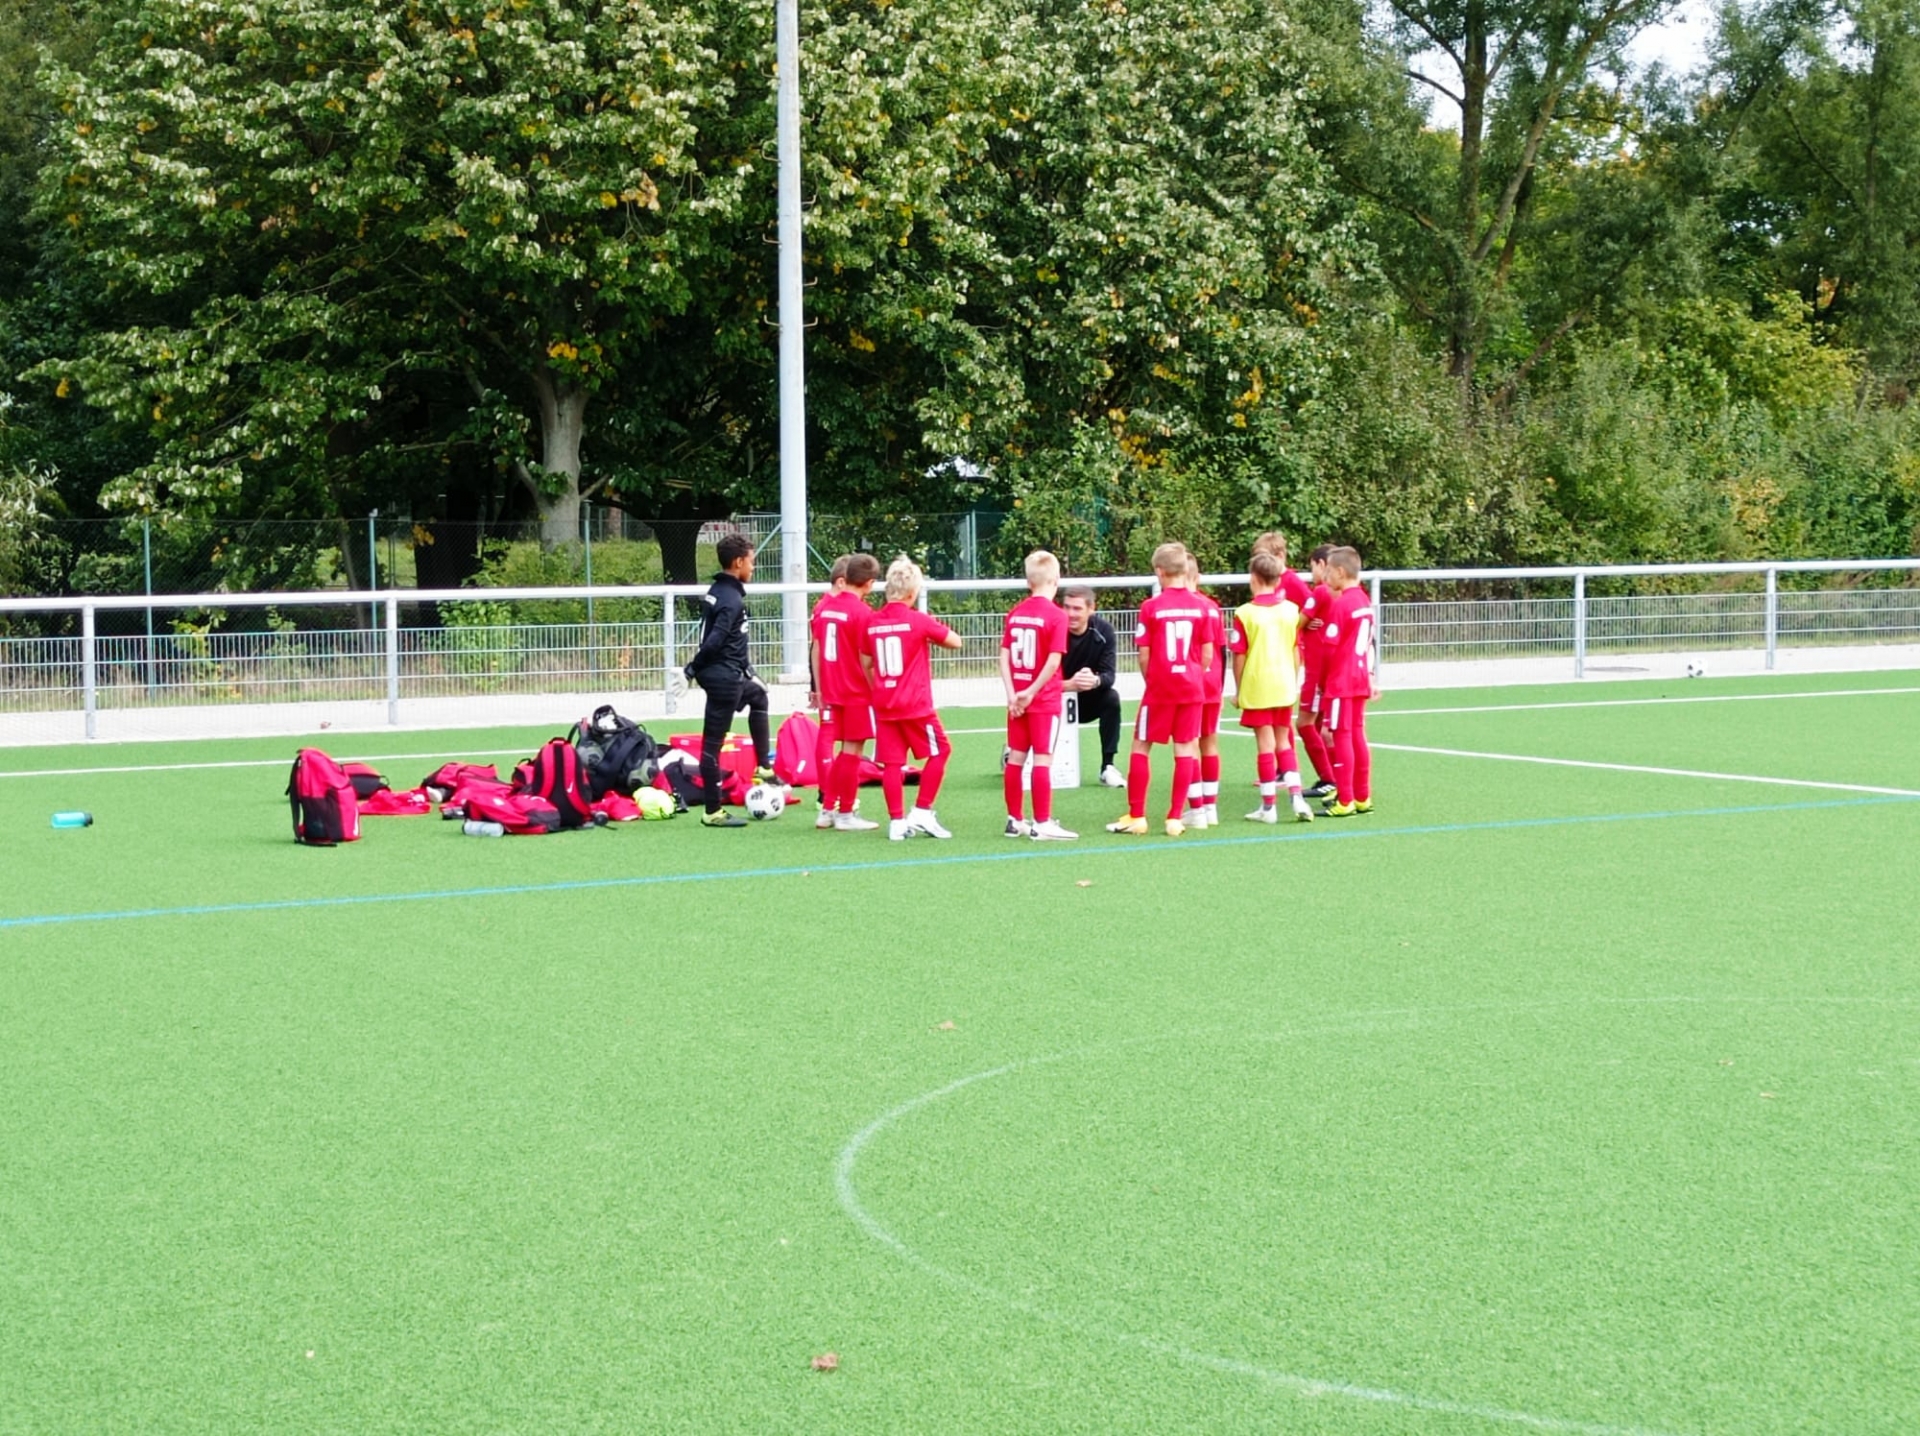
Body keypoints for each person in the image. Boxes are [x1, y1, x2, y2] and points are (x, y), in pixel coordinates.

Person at [1108, 542, 1216, 837]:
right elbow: (1208, 653)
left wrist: (1153, 680)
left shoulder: (1151, 607)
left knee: (1141, 745)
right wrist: (1193, 675)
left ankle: (1137, 815)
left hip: (1160, 688)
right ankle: (1175, 818)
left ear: (1159, 571)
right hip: (1192, 688)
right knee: (1185, 748)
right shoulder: (1201, 607)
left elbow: (1143, 654)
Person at [860, 556, 965, 840]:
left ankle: (896, 821)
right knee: (941, 751)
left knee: (892, 764)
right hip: (915, 705)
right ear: (912, 592)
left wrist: (878, 689)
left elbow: (866, 662)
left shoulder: (872, 622)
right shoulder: (918, 620)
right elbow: (955, 641)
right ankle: (921, 810)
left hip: (885, 703)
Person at [686, 533, 775, 828]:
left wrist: (748, 670)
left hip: (730, 674)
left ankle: (763, 766)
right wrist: (691, 669)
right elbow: (714, 641)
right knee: (712, 747)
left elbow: (732, 641)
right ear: (738, 562)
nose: (753, 567)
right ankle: (713, 811)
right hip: (723, 680)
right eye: (751, 561)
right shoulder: (731, 599)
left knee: (758, 696)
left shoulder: (720, 590)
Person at [1229, 549, 1315, 823]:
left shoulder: (1245, 613)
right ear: (1279, 580)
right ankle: (1297, 797)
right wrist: (1293, 679)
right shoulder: (1291, 611)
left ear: (1253, 578)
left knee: (1265, 745)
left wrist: (1239, 689)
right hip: (1283, 684)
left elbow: (1239, 656)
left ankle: (1268, 807)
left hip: (1258, 685)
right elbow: (1295, 650)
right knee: (1283, 741)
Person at [1000, 550, 1076, 840]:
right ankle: (1042, 822)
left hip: (1017, 699)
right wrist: (1031, 692)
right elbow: (1054, 661)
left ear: (1028, 581)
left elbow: (1004, 656)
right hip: (1042, 699)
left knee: (1016, 758)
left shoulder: (1016, 613)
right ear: (1056, 579)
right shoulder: (1057, 616)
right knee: (1043, 758)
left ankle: (1014, 819)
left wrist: (1012, 694)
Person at [810, 552, 882, 832]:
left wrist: (819, 687)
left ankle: (827, 809)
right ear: (870, 583)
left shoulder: (826, 607)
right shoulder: (863, 613)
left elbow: (817, 648)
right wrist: (877, 691)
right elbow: (868, 659)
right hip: (855, 691)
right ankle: (846, 813)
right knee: (852, 751)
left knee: (843, 752)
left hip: (832, 688)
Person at [1318, 546, 1376, 817]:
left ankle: (1345, 799)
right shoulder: (1364, 601)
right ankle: (1362, 796)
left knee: (1341, 736)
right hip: (1360, 676)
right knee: (1357, 734)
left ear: (1340, 572)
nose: (1326, 576)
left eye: (1329, 571)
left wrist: (1323, 682)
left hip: (1341, 680)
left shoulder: (1342, 604)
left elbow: (1329, 649)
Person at [1060, 586, 1124, 786]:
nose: (1070, 614)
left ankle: (1108, 766)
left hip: (1087, 699)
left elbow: (1109, 676)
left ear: (1091, 609)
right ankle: (1018, 751)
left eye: (1077, 608)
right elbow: (1038, 681)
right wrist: (1068, 685)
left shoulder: (1104, 631)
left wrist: (1094, 680)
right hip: (1055, 698)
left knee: (1111, 698)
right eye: (1066, 607)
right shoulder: (1053, 628)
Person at [1182, 554, 1227, 828]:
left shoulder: (1180, 607)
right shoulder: (1212, 606)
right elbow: (1221, 649)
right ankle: (1211, 807)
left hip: (1190, 682)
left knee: (1189, 743)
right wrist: (1220, 686)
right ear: (1198, 577)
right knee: (1209, 742)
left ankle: (1196, 809)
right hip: (1212, 683)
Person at [808, 555, 853, 816]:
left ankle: (831, 793)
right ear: (841, 582)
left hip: (836, 681)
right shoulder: (827, 607)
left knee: (839, 736)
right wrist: (817, 686)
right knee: (830, 735)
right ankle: (827, 793)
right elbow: (816, 647)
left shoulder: (825, 606)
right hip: (836, 683)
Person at [1294, 543, 1339, 799]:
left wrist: (1304, 621)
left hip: (1318, 671)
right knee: (1324, 725)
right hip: (1331, 668)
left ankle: (1329, 778)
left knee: (1304, 724)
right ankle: (1337, 779)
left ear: (1322, 564)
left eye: (1312, 566)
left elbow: (1296, 623)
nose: (1311, 573)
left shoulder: (1321, 590)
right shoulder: (1343, 592)